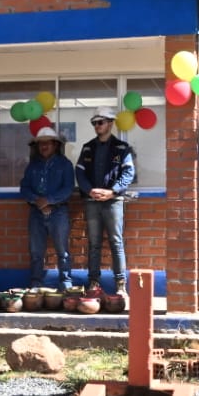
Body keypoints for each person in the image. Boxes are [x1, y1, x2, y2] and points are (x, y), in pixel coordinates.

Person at [76, 107, 135, 296]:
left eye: (100, 122)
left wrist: (112, 191)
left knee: (116, 242)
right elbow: (79, 173)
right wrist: (89, 190)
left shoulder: (122, 148)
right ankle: (93, 283)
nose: (97, 126)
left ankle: (120, 285)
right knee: (94, 243)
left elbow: (129, 173)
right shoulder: (87, 147)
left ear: (110, 123)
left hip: (113, 201)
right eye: (94, 123)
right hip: (92, 201)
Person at [20, 126, 75, 291]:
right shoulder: (32, 165)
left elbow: (68, 189)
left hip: (59, 212)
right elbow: (24, 188)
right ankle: (36, 283)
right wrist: (37, 201)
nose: (43, 146)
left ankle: (65, 283)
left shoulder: (65, 164)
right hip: (36, 212)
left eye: (47, 143)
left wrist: (49, 201)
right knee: (36, 251)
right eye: (41, 143)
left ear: (55, 145)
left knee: (63, 251)